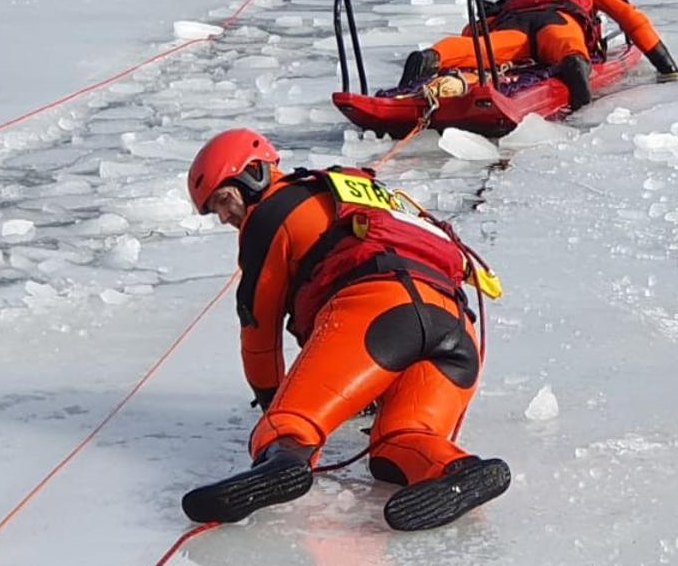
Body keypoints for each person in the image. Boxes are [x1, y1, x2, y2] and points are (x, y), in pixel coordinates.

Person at [180, 129, 510, 532]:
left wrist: (273, 404)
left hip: (377, 309)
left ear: (254, 175)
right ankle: (458, 471)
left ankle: (281, 465)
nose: (225, 216)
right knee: (398, 444)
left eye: (224, 200)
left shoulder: (271, 213)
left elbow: (259, 331)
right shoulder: (361, 194)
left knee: (291, 427)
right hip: (456, 329)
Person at [399, 0, 678, 109]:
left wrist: (462, 47)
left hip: (515, 24)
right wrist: (667, 68)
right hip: (559, 20)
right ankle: (579, 94)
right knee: (568, 48)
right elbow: (631, 18)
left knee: (483, 47)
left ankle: (433, 56)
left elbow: (480, 27)